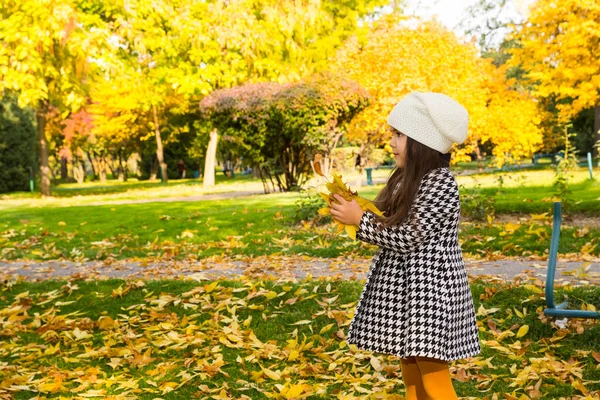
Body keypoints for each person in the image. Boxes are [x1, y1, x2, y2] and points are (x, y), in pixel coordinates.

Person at [329, 92, 481, 400]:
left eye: (399, 135)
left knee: (435, 380)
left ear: (422, 141)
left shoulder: (440, 183)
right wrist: (357, 206)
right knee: (411, 375)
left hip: (431, 295)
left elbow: (408, 236)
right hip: (407, 294)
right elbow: (387, 219)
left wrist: (360, 221)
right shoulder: (405, 178)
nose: (392, 142)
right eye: (392, 134)